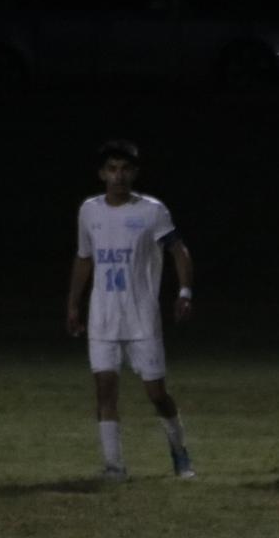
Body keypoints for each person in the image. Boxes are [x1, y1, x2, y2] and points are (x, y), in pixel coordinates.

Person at [65, 139, 197, 481]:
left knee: (156, 394)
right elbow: (84, 258)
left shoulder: (151, 211)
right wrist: (74, 303)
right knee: (105, 389)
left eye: (125, 169)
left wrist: (185, 291)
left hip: (141, 318)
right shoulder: (89, 211)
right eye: (112, 169)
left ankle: (180, 452)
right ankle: (114, 466)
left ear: (135, 173)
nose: (118, 176)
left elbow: (178, 250)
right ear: (101, 174)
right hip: (103, 318)